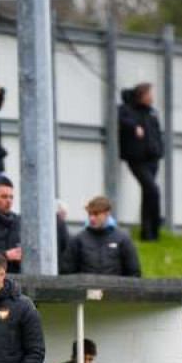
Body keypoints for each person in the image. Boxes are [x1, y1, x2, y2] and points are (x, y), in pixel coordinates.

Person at [118, 83, 163, 241]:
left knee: (148, 193)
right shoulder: (126, 110)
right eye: (149, 94)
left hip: (152, 158)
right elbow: (122, 121)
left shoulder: (151, 112)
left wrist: (158, 150)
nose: (151, 97)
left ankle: (149, 233)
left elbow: (157, 133)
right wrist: (134, 126)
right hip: (136, 159)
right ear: (141, 95)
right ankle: (154, 227)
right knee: (153, 190)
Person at [60, 196, 141, 277]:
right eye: (90, 214)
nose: (92, 218)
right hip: (85, 288)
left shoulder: (123, 240)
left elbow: (134, 273)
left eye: (96, 214)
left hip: (114, 289)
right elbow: (66, 272)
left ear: (107, 214)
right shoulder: (78, 240)